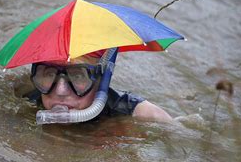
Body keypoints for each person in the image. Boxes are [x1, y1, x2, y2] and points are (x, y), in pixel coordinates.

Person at [24, 52, 173, 123]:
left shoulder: (137, 113)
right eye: (50, 75)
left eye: (77, 76)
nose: (60, 91)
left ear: (101, 80)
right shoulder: (25, 94)